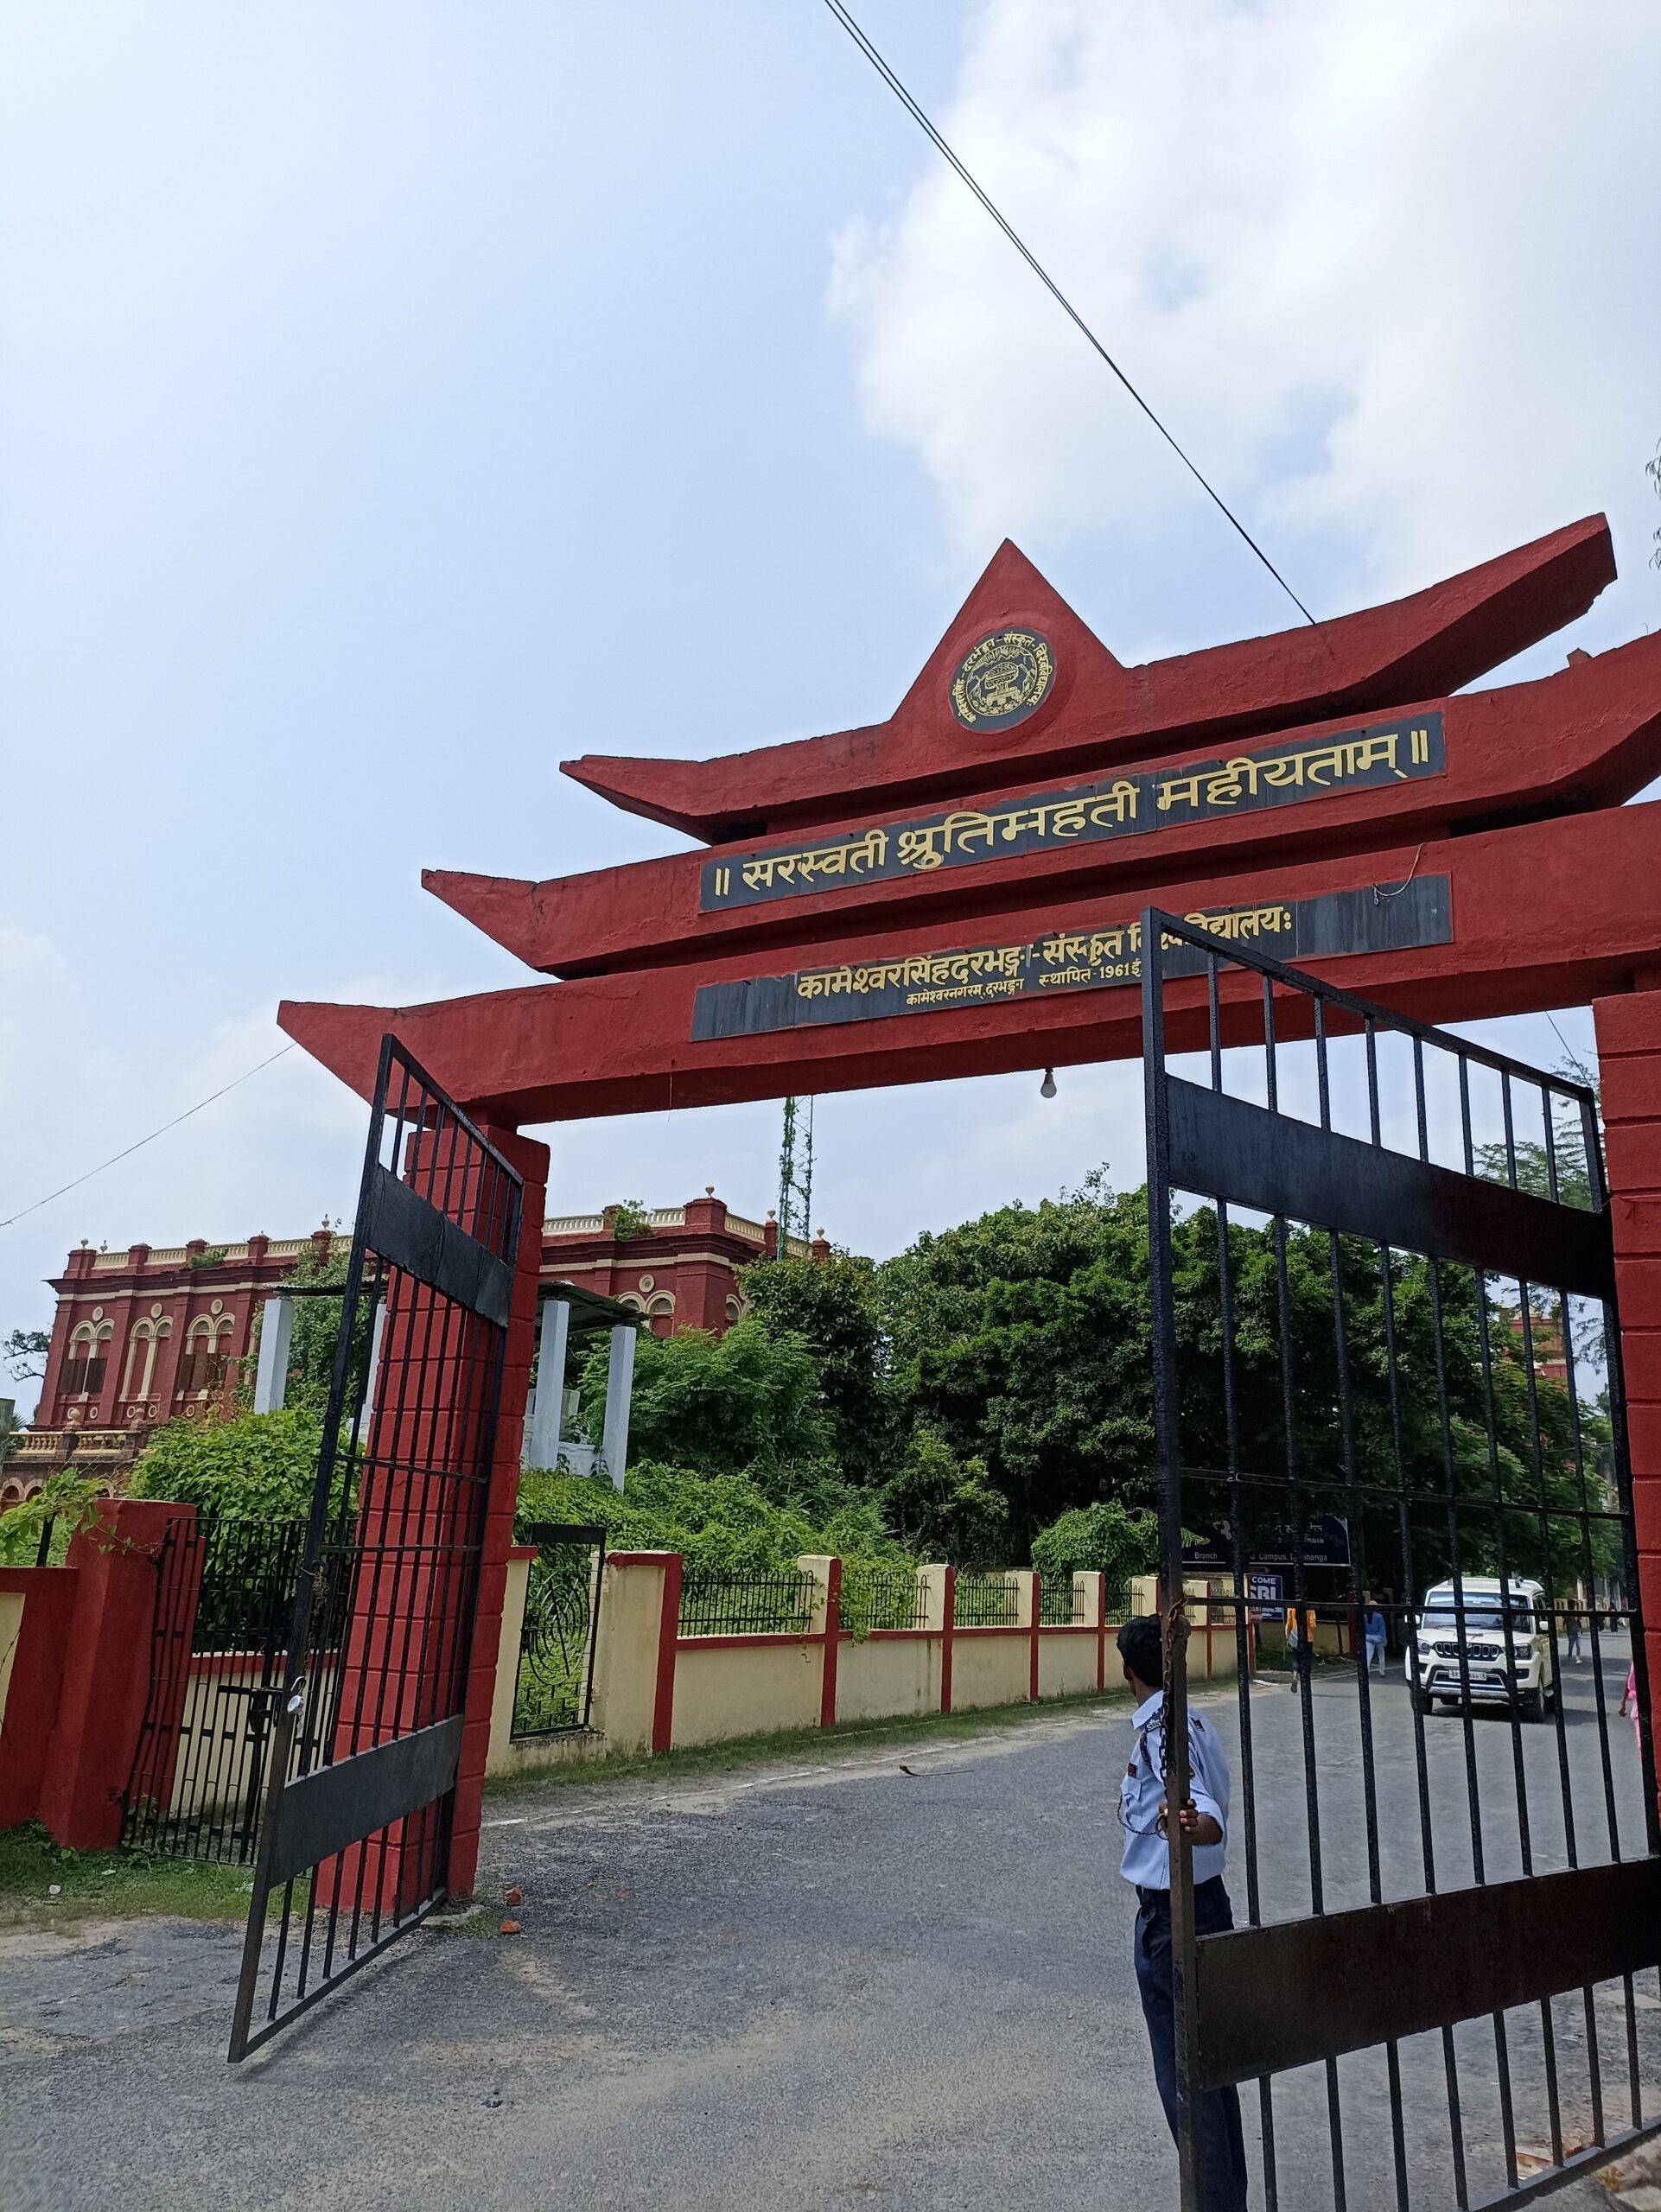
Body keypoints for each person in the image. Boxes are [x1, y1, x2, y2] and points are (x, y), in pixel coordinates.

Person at [1117, 1614, 1250, 2211]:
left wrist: (1190, 1826)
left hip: (1172, 1917)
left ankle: (1214, 2202)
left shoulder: (1161, 1733)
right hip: (1206, 1904)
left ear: (1128, 1674)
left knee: (1185, 2079)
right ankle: (1227, 2200)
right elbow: (1208, 1808)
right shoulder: (1193, 1719)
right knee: (1211, 2073)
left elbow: (1198, 1811)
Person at [1284, 1602, 1316, 1694]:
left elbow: (1288, 1624)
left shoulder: (1291, 1608)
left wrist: (1288, 1637)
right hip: (1307, 1637)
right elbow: (1313, 1625)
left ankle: (1295, 1676)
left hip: (1294, 1636)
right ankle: (1306, 1682)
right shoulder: (1310, 1609)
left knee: (1296, 1658)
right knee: (1306, 1660)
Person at [1620, 1661, 1642, 1754]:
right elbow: (1629, 1677)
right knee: (1642, 1745)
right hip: (1638, 1707)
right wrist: (1622, 1702)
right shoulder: (1635, 1657)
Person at [1364, 1595, 1388, 1676]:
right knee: (1381, 1655)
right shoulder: (1379, 1616)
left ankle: (1366, 1671)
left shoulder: (1365, 1616)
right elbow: (1382, 1629)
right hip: (1378, 1638)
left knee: (1368, 1655)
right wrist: (1384, 1640)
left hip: (1368, 1638)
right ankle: (1382, 1672)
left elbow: (1363, 1628)